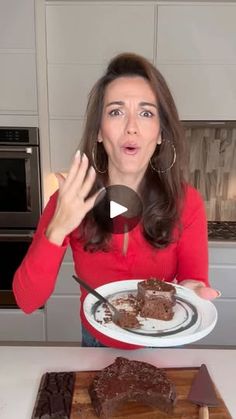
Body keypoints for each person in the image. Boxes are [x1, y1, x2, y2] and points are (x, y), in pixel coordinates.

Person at [13, 53, 219, 348]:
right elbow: (27, 300)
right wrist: (57, 228)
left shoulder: (188, 202)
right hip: (95, 345)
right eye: (116, 112)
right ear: (99, 131)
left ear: (160, 133)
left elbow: (192, 281)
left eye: (146, 113)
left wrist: (193, 290)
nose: (131, 127)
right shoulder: (70, 198)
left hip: (161, 345)